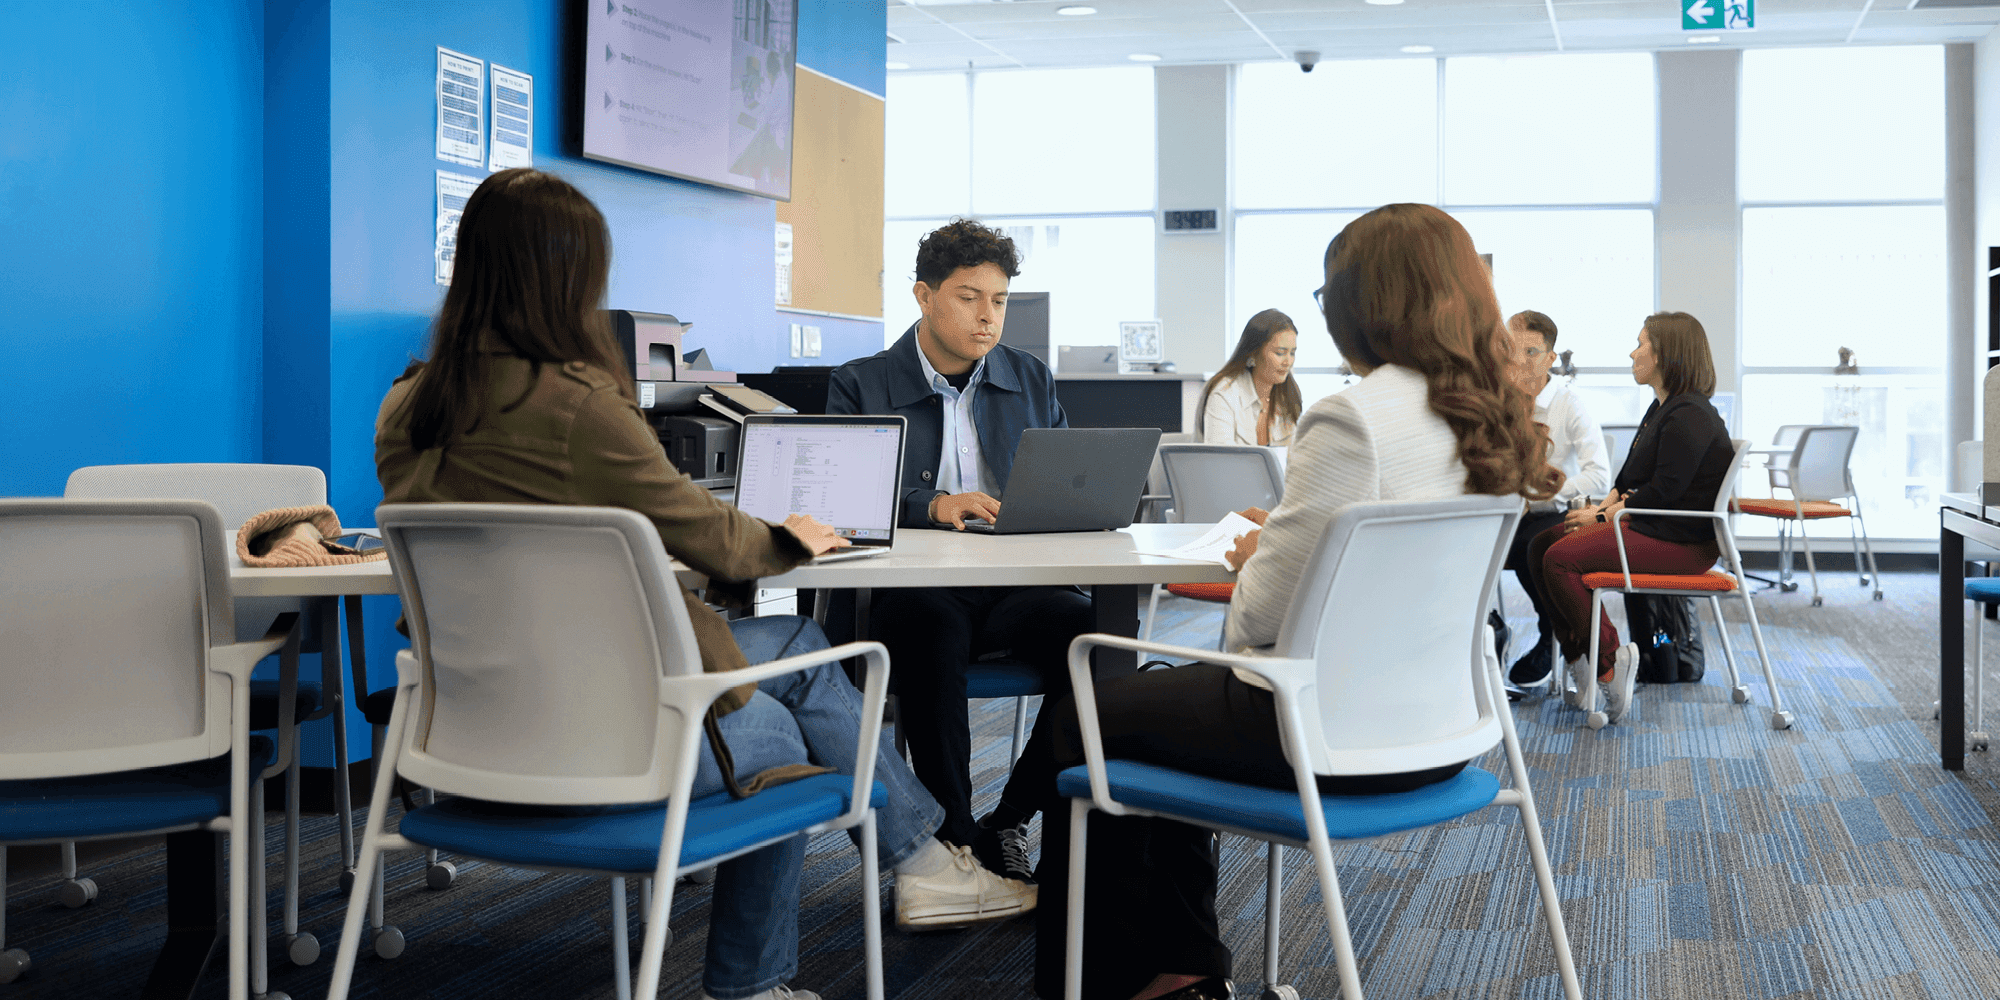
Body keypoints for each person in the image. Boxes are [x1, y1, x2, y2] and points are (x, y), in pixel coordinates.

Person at [372, 170, 1030, 1000]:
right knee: (791, 739)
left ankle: (928, 859)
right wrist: (792, 538)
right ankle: (769, 974)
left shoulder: (404, 405)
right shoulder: (581, 406)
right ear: (574, 280)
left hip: (458, 731)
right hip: (605, 731)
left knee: (798, 644)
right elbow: (714, 538)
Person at [1027, 203, 1562, 1000]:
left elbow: (1258, 626)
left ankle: (1109, 979)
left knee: (1090, 707)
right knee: (1160, 709)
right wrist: (1296, 536)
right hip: (1448, 729)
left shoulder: (1355, 415)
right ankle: (1179, 963)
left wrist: (1255, 558)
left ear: (1363, 304)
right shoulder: (1490, 414)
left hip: (1322, 734)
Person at [825, 219, 1091, 887]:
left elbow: (1060, 481)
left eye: (999, 301)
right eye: (969, 297)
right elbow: (838, 503)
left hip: (1011, 590)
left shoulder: (1029, 379)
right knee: (930, 629)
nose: (987, 316)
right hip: (912, 594)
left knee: (1099, 637)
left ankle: (1009, 818)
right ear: (923, 295)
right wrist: (930, 505)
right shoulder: (860, 383)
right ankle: (952, 840)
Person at [1523, 311, 1734, 723]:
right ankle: (1581, 661)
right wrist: (1600, 509)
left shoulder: (1691, 413)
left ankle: (1608, 663)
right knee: (1540, 547)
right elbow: (1629, 481)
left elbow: (1664, 492)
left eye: (1641, 344)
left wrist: (1602, 521)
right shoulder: (1663, 409)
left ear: (1666, 354)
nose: (1632, 353)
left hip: (1683, 544)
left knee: (1560, 558)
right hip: (1651, 527)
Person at [1499, 310, 1610, 692]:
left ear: (1550, 358)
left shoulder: (1568, 404)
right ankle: (1487, 641)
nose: (1520, 362)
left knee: (1536, 545)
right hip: (1507, 513)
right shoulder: (1499, 402)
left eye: (1531, 352)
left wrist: (1541, 492)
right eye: (1512, 352)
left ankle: (1552, 636)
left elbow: (1599, 474)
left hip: (1554, 513)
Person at [1197, 308, 1301, 447]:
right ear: (1254, 353)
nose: (1288, 362)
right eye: (1280, 353)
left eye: (1292, 353)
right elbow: (1220, 462)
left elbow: (1295, 456)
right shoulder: (1224, 394)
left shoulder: (1288, 395)